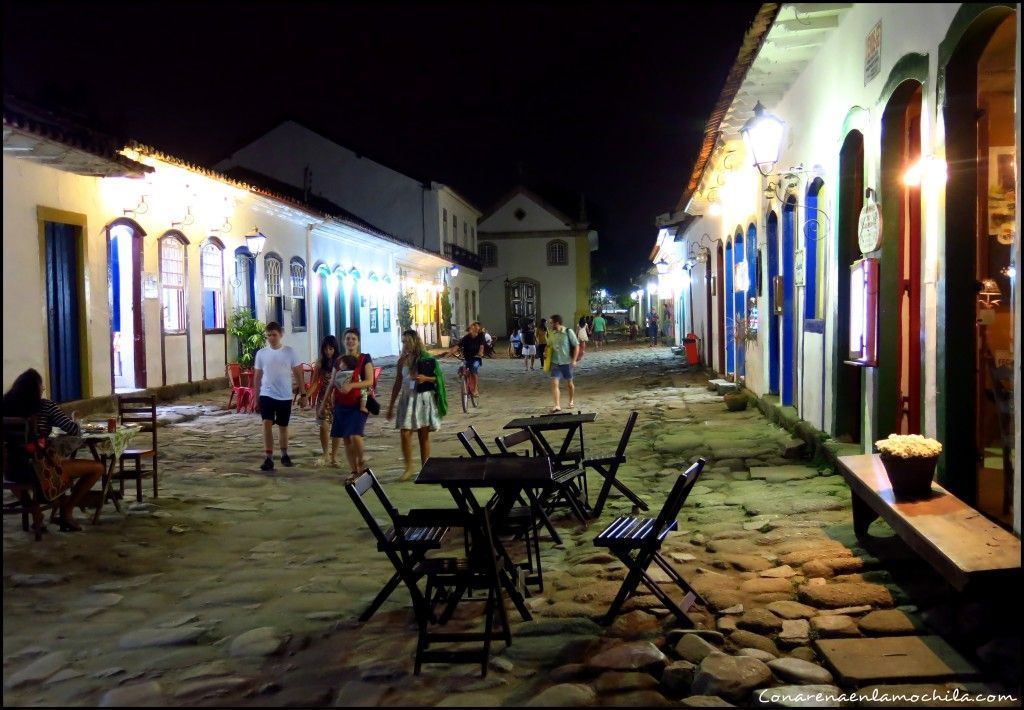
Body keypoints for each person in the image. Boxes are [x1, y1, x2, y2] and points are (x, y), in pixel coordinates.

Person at [2, 368, 104, 532]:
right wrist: (75, 421)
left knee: (19, 478)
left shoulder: (5, 406)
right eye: (41, 386)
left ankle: (35, 513)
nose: (43, 389)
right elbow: (72, 430)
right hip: (40, 470)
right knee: (97, 468)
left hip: (11, 470)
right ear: (36, 390)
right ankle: (67, 510)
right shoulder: (46, 406)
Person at [388, 330, 447, 482]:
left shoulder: (426, 358)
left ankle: (425, 467)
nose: (405, 345)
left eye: (407, 341)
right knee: (405, 432)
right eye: (403, 342)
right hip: (407, 398)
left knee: (423, 434)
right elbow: (397, 384)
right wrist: (390, 405)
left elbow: (438, 379)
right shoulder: (402, 361)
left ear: (414, 341)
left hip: (423, 398)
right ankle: (408, 468)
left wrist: (425, 378)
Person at [253, 322, 307, 471]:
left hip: (284, 395)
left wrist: (303, 394)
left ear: (281, 334)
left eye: (274, 335)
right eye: (268, 335)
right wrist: (255, 396)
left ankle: (284, 454)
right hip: (267, 393)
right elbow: (257, 376)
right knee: (266, 424)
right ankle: (268, 457)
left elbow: (298, 373)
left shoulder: (290, 352)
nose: (271, 338)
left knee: (283, 426)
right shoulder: (261, 354)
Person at [326, 328, 376, 482]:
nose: (350, 341)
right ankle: (354, 470)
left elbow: (369, 381)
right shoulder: (339, 360)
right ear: (343, 341)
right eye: (347, 338)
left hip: (360, 402)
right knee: (346, 438)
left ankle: (361, 462)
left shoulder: (365, 358)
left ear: (358, 341)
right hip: (342, 404)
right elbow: (332, 382)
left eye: (353, 338)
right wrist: (324, 403)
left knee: (355, 434)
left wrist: (352, 386)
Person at [306, 335, 341, 467]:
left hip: (338, 398)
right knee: (324, 426)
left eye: (331, 349)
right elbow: (315, 383)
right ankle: (325, 454)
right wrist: (305, 396)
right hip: (323, 398)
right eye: (326, 349)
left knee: (337, 429)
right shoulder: (319, 364)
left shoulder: (341, 362)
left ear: (335, 349)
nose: (328, 351)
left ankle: (334, 456)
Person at [545, 314, 579, 412]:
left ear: (557, 322)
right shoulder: (551, 333)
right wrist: (546, 351)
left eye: (551, 323)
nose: (550, 325)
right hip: (555, 362)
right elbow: (549, 345)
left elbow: (576, 345)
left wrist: (574, 360)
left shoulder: (568, 332)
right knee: (554, 383)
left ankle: (571, 400)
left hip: (567, 362)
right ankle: (557, 405)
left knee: (569, 384)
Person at [456, 321, 485, 396]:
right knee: (461, 367)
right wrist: (448, 353)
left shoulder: (480, 336)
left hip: (476, 358)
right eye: (470, 329)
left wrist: (480, 353)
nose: (471, 330)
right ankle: (464, 381)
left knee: (474, 370)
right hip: (467, 358)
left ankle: (475, 390)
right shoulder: (466, 338)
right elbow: (458, 346)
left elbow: (482, 346)